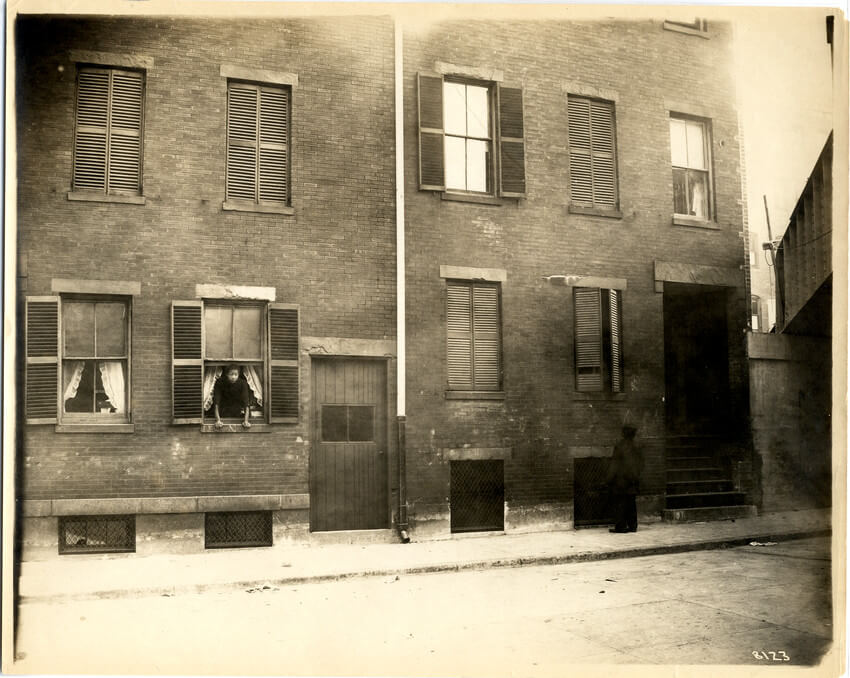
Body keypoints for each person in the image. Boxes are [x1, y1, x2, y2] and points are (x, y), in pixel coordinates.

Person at [606, 424, 643, 533]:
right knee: (631, 503)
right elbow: (641, 463)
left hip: (621, 481)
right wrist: (636, 476)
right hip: (632, 480)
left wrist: (608, 479)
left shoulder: (620, 446)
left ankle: (621, 527)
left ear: (623, 434)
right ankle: (633, 526)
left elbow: (614, 465)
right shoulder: (636, 447)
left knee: (620, 504)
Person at [213, 365, 251, 429]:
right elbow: (216, 402)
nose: (233, 377)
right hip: (223, 412)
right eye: (231, 374)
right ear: (227, 374)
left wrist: (246, 421)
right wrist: (218, 420)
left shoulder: (243, 383)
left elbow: (246, 403)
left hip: (238, 412)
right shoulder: (220, 382)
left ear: (238, 375)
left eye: (236, 374)